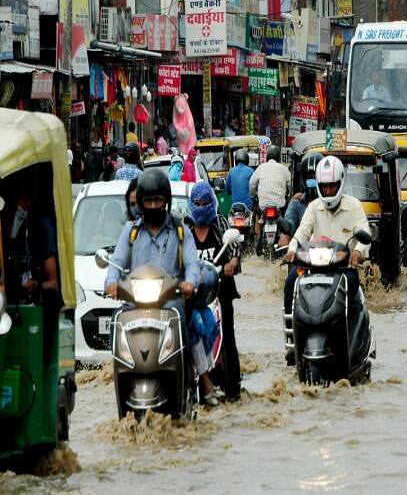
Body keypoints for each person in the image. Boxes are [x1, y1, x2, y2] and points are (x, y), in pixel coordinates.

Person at [104, 169, 201, 340]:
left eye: (158, 200)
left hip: (170, 301)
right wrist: (112, 282)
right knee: (117, 319)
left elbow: (193, 264)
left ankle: (183, 364)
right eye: (149, 201)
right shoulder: (131, 231)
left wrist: (190, 282)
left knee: (180, 320)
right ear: (141, 202)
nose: (154, 205)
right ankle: (120, 365)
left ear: (166, 201)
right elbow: (116, 261)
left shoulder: (180, 231)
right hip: (135, 301)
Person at [284, 155, 371, 341]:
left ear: (340, 183)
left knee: (353, 288)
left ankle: (352, 336)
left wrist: (357, 251)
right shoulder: (313, 207)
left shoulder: (354, 206)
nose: (329, 190)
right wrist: (292, 249)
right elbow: (302, 232)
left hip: (343, 268)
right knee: (291, 280)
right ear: (319, 186)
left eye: (332, 185)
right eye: (325, 186)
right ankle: (291, 336)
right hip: (314, 268)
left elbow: (365, 234)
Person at [185, 182, 242, 402]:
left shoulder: (219, 223)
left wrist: (233, 263)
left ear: (212, 204)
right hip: (193, 296)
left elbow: (234, 248)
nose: (200, 207)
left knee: (228, 335)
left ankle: (233, 388)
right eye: (196, 203)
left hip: (220, 291)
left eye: (204, 203)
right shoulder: (186, 229)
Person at [249, 144, 291, 211]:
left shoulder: (261, 167)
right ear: (278, 157)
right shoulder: (284, 168)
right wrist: (289, 195)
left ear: (267, 157)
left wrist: (254, 194)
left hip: (263, 206)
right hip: (280, 206)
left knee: (256, 216)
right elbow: (290, 185)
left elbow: (252, 184)